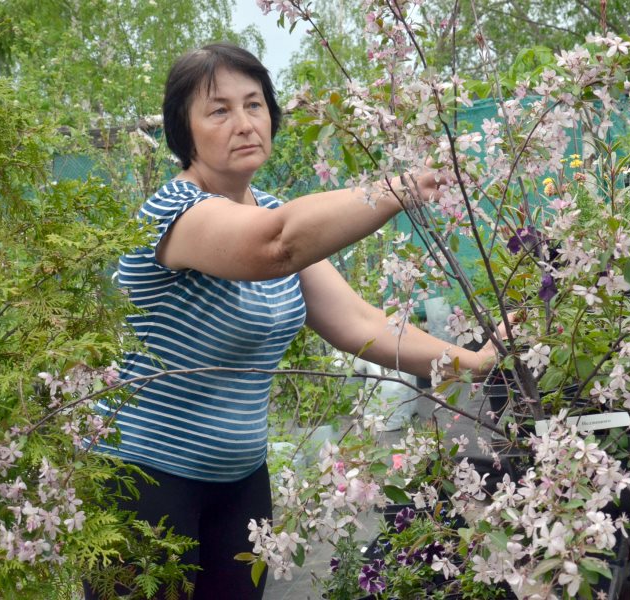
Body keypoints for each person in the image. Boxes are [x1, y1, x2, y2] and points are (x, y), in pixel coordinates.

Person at [88, 42, 508, 600]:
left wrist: (475, 364)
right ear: (183, 132)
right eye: (219, 110)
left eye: (254, 105)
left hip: (239, 482)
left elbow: (360, 323)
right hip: (146, 480)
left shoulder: (265, 204)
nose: (243, 123)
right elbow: (275, 247)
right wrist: (397, 190)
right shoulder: (173, 214)